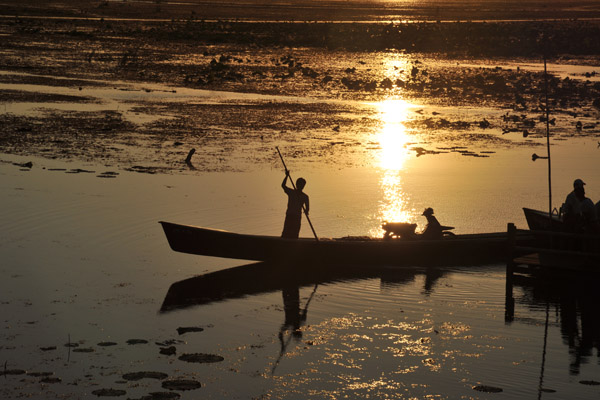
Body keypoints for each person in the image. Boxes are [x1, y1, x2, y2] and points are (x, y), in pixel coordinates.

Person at [281, 170, 309, 239]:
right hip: (290, 215)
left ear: (303, 186)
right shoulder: (292, 192)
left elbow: (307, 208)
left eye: (302, 185)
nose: (301, 186)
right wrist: (287, 176)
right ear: (296, 184)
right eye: (299, 184)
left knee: (295, 234)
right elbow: (283, 186)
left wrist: (306, 211)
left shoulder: (305, 196)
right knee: (286, 233)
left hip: (296, 217)